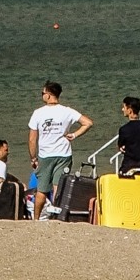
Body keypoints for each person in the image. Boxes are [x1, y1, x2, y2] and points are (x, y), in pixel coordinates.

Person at [28, 80, 94, 221]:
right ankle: (57, 217)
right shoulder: (67, 111)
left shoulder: (38, 113)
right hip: (63, 154)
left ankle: (36, 218)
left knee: (42, 189)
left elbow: (32, 139)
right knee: (58, 187)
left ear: (49, 94)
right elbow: (88, 123)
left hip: (45, 155)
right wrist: (74, 135)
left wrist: (33, 158)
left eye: (42, 93)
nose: (42, 95)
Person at [117, 96, 140, 202]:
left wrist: (122, 147)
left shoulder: (124, 129)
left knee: (123, 196)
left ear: (130, 110)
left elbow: (120, 145)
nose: (122, 109)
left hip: (129, 167)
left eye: (124, 107)